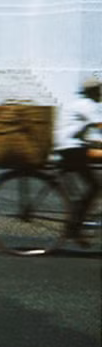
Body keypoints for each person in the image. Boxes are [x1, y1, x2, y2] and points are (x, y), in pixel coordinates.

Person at [54, 77, 102, 244]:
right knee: (94, 187)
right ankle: (75, 227)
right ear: (94, 92)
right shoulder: (88, 105)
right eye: (99, 92)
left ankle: (77, 223)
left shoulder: (76, 103)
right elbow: (100, 125)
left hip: (68, 148)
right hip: (73, 150)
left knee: (84, 189)